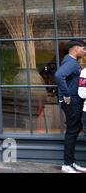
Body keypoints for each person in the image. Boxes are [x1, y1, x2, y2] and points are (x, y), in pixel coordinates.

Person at [55, 39, 86, 173]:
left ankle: (71, 162)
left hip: (74, 101)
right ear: (75, 49)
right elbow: (59, 75)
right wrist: (66, 95)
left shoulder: (71, 61)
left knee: (74, 130)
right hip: (72, 102)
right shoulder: (71, 62)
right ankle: (67, 164)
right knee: (72, 131)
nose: (85, 51)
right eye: (83, 49)